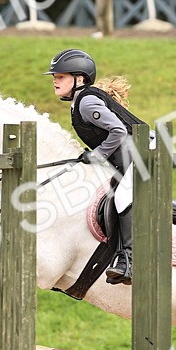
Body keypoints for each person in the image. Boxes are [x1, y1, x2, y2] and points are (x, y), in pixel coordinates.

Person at [45, 48, 144, 285]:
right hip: (129, 158)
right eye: (54, 77)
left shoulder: (87, 102)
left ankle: (130, 260)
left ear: (79, 78)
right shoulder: (80, 101)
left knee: (122, 197)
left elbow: (118, 130)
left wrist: (98, 155)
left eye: (60, 77)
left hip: (146, 156)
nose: (55, 82)